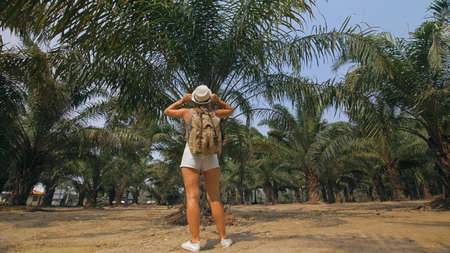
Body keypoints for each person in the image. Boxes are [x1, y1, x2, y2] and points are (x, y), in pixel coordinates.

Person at [164, 85, 233, 252]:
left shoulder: (187, 113)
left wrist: (183, 100)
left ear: (194, 98)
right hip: (211, 156)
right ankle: (223, 238)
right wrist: (219, 101)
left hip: (191, 155)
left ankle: (195, 241)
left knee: (192, 197)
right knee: (215, 198)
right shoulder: (215, 114)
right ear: (210, 99)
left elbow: (167, 111)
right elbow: (230, 110)